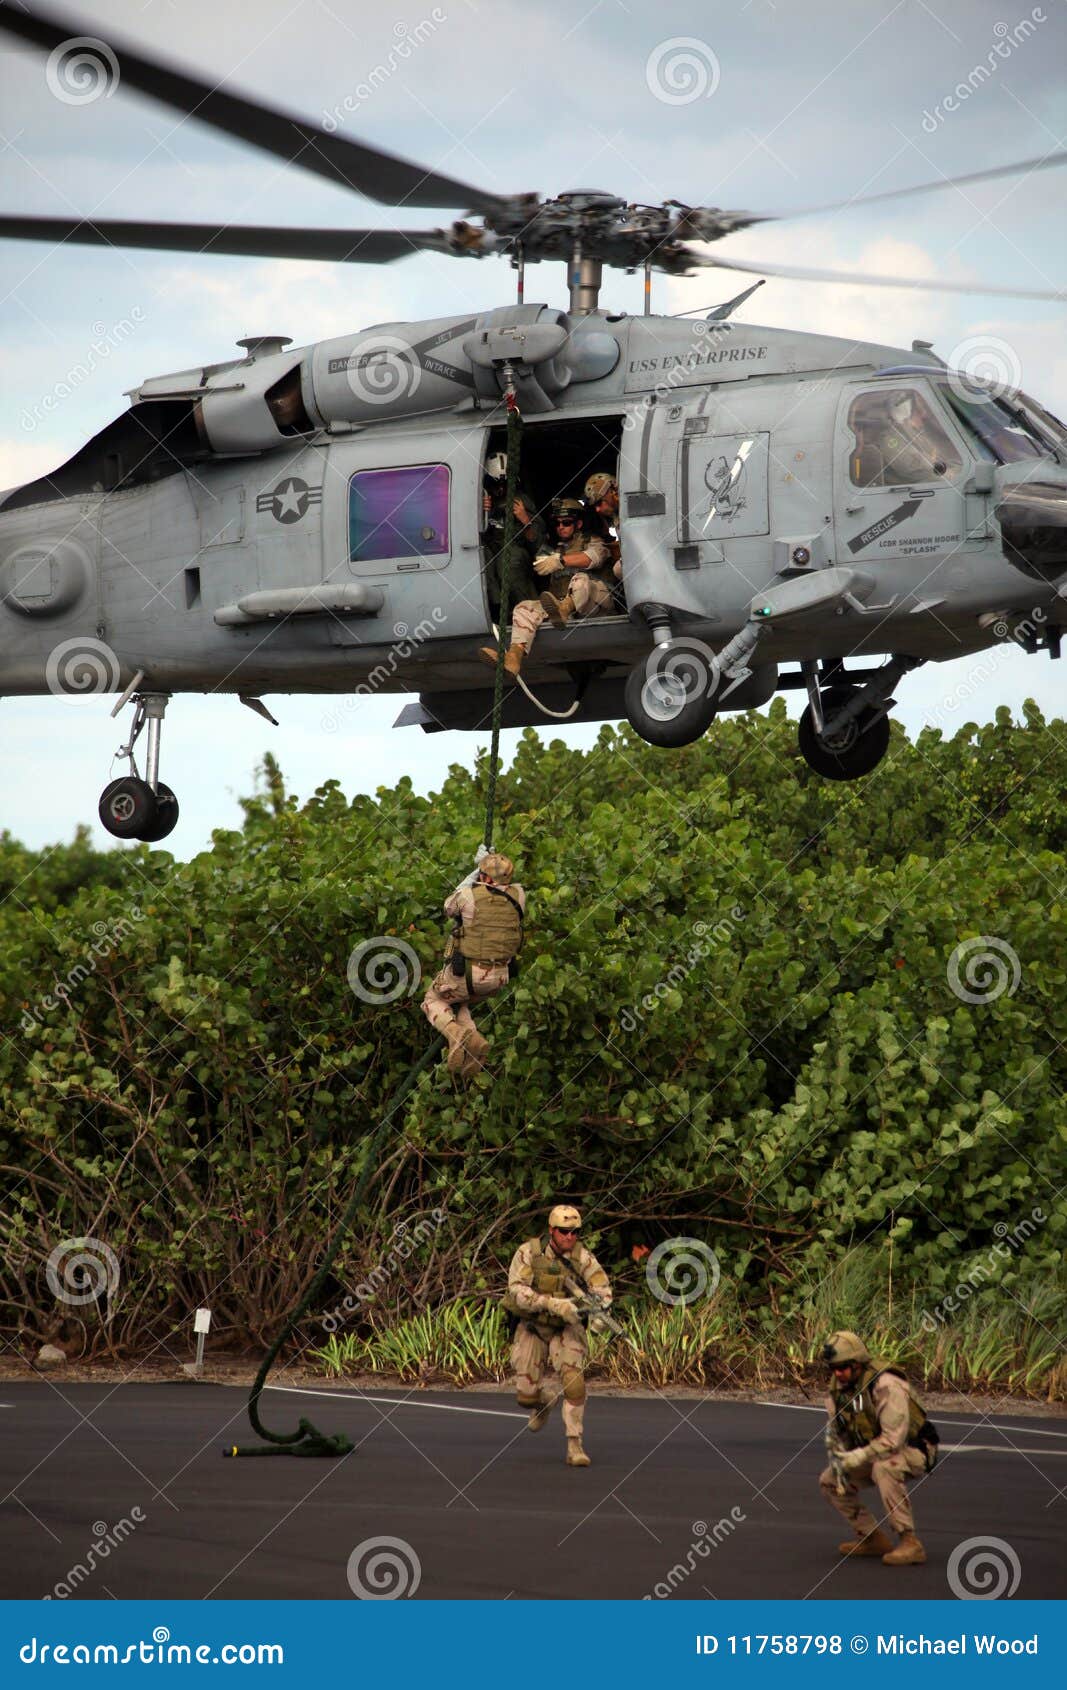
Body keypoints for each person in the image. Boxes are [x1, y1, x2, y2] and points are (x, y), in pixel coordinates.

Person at [503, 1203, 613, 1467]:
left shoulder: (582, 1257)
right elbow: (517, 1290)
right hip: (533, 1325)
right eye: (564, 1232)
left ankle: (574, 1446)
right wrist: (552, 1304)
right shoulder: (528, 1253)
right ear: (551, 1230)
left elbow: (603, 1289)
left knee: (574, 1383)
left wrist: (592, 1310)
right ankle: (543, 1401)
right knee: (525, 1396)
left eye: (574, 1232)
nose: (570, 1237)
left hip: (566, 1328)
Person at [819, 1329, 937, 1566]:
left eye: (843, 1367)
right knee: (830, 1480)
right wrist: (839, 1455)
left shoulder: (886, 1384)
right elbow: (838, 1428)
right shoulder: (840, 1388)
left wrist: (860, 1455)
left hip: (914, 1448)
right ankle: (871, 1537)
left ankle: (910, 1542)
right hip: (873, 1449)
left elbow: (894, 1441)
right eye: (833, 1368)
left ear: (858, 1363)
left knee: (884, 1468)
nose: (837, 1373)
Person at [479, 498, 613, 680]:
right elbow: (536, 546)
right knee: (523, 608)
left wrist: (560, 561)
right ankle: (513, 657)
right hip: (560, 608)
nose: (561, 527)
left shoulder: (593, 540)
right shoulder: (556, 549)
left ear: (578, 523)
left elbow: (594, 557)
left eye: (566, 523)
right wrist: (526, 523)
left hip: (596, 605)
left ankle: (564, 609)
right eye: (557, 523)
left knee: (581, 579)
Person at [420, 851, 524, 1079]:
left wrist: (475, 871)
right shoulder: (519, 895)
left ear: (484, 877)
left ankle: (454, 1034)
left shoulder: (469, 895)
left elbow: (448, 907)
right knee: (460, 1000)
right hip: (499, 980)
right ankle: (475, 1041)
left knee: (433, 999)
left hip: (469, 975)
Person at [482, 452, 545, 615]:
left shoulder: (521, 500)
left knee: (508, 563)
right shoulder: (481, 500)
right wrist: (480, 512)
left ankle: (530, 613)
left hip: (515, 550)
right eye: (495, 485)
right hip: (491, 550)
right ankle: (499, 611)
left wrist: (525, 520)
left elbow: (537, 543)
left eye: (505, 484)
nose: (500, 489)